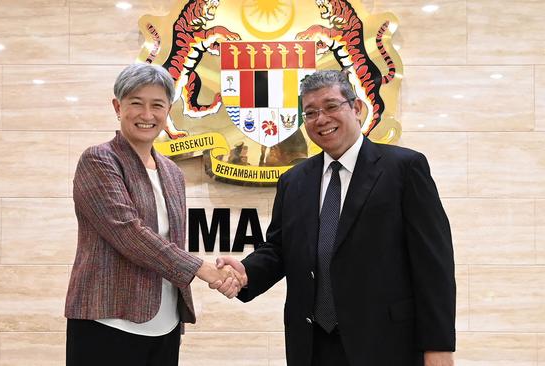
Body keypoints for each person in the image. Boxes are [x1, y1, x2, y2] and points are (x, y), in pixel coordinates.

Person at [215, 70, 456, 366]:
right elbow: (279, 249)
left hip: (386, 343)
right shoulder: (294, 181)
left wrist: (438, 346)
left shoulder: (404, 169)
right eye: (311, 112)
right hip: (313, 345)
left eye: (331, 106)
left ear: (355, 108)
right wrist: (246, 272)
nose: (321, 119)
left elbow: (433, 265)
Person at [65, 63, 241, 366]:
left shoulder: (172, 172)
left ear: (168, 110)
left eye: (157, 105)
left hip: (165, 323)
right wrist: (204, 270)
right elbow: (129, 233)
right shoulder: (99, 160)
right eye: (136, 103)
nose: (147, 115)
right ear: (118, 106)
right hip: (109, 321)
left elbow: (170, 240)